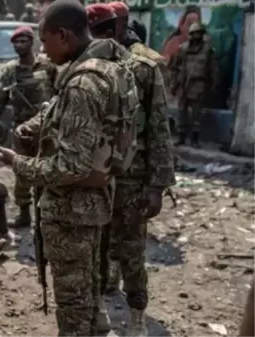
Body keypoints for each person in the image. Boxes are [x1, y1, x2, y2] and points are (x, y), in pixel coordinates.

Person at [0, 1, 139, 336]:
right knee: (88, 295)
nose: (42, 50)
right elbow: (64, 117)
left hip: (70, 210)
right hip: (94, 204)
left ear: (63, 34)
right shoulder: (109, 67)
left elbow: (70, 165)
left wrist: (18, 163)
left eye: (45, 41)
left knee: (73, 309)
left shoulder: (82, 83)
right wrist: (34, 127)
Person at [86, 4, 175, 336]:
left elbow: (158, 130)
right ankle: (98, 310)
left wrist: (157, 185)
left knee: (131, 251)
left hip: (131, 180)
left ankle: (137, 316)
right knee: (94, 247)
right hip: (93, 179)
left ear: (118, 27)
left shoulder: (143, 68)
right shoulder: (85, 67)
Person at [0, 25, 56, 229]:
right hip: (22, 131)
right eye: (16, 42)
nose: (20, 45)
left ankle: (47, 216)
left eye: (23, 41)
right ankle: (25, 213)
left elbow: (61, 94)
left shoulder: (49, 66)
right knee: (22, 172)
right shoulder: (10, 70)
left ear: (32, 41)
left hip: (49, 128)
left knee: (48, 171)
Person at [169, 22, 218, 148]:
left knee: (197, 113)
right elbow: (175, 67)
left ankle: (195, 140)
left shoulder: (208, 50)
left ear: (201, 34)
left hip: (198, 84)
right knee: (181, 112)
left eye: (198, 34)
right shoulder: (183, 49)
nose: (195, 36)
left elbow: (213, 69)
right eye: (193, 34)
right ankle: (181, 138)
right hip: (183, 84)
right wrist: (174, 85)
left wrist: (213, 86)